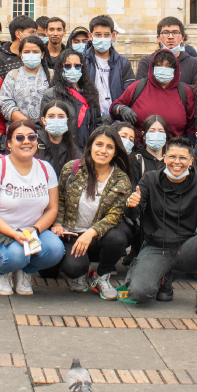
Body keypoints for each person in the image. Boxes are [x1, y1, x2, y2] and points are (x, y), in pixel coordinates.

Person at [118, 135, 197, 315]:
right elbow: (134, 215)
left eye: (183, 158)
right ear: (165, 158)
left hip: (185, 248)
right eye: (173, 157)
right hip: (155, 247)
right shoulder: (150, 180)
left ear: (191, 161)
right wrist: (131, 205)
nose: (177, 162)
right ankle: (162, 276)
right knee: (138, 294)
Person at [0, 118, 66, 295]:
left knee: (56, 250)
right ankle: (0, 271)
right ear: (9, 143)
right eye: (19, 138)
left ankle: (24, 272)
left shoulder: (46, 168)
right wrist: (14, 234)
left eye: (31, 137)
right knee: (17, 255)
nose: (26, 141)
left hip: (31, 229)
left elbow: (52, 209)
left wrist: (35, 229)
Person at [50, 125, 134, 298]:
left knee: (118, 238)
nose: (103, 150)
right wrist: (57, 222)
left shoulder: (121, 179)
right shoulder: (72, 169)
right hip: (70, 234)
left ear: (115, 152)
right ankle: (81, 270)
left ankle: (102, 275)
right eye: (99, 145)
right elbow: (60, 199)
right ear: (90, 146)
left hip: (97, 237)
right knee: (74, 268)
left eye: (109, 147)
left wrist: (91, 232)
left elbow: (115, 215)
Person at [111, 49, 196, 137]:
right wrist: (121, 109)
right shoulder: (138, 87)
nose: (163, 70)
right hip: (140, 147)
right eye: (159, 66)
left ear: (175, 70)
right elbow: (114, 107)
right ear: (152, 67)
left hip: (174, 147)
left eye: (168, 66)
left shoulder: (185, 93)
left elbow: (191, 126)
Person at [82, 15, 134, 119]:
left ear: (113, 36)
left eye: (106, 35)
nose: (102, 38)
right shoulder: (82, 61)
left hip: (116, 120)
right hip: (89, 121)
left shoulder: (123, 63)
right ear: (90, 36)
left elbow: (129, 94)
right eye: (98, 35)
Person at [45, 48, 101, 145]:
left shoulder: (91, 93)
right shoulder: (51, 94)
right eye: (67, 66)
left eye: (77, 66)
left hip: (87, 148)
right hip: (64, 148)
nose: (73, 69)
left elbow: (97, 122)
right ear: (60, 68)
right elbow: (45, 125)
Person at [0, 35, 54, 124]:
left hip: (47, 129)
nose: (31, 55)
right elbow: (6, 103)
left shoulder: (52, 75)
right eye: (27, 52)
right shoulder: (12, 75)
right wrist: (27, 123)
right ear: (21, 55)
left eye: (35, 52)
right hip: (20, 129)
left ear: (42, 54)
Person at [36, 98, 81, 175]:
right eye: (51, 116)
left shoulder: (73, 149)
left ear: (67, 121)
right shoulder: (35, 144)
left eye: (61, 117)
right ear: (43, 120)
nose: (56, 120)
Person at [155, 17, 197, 84]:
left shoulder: (195, 65)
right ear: (158, 38)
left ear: (182, 38)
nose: (170, 37)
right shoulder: (146, 62)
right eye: (165, 32)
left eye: (175, 32)